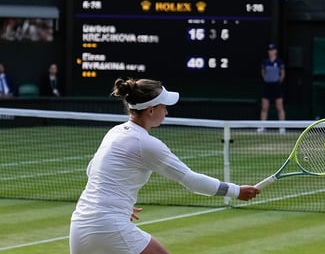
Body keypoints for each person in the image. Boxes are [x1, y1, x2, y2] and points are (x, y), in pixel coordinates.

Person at [70, 78, 260, 254]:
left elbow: (92, 170)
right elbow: (191, 181)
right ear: (151, 110)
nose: (167, 111)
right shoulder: (146, 143)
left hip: (79, 225)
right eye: (164, 107)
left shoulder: (115, 132)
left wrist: (117, 203)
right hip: (107, 226)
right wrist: (236, 191)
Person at [257, 43, 286, 134]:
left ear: (275, 51)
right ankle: (262, 126)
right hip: (267, 86)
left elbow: (282, 74)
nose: (271, 52)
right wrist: (267, 80)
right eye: (269, 50)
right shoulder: (265, 62)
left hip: (276, 86)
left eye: (272, 50)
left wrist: (277, 81)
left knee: (279, 107)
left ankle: (282, 127)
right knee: (264, 107)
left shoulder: (279, 62)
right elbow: (263, 73)